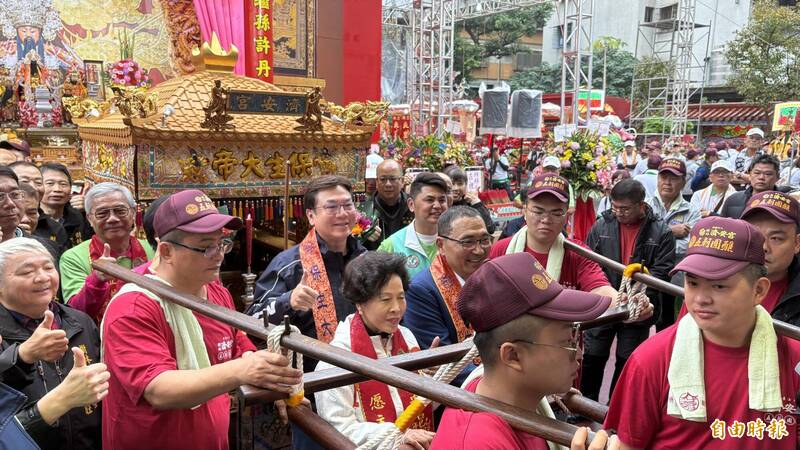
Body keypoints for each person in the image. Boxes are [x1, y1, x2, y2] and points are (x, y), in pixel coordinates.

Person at [101, 189, 300, 450]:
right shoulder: (134, 308)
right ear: (166, 251)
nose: (219, 255)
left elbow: (236, 338)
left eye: (222, 244)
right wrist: (241, 370)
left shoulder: (215, 291)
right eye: (206, 247)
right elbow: (158, 389)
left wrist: (261, 369)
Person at [604, 216, 800, 449]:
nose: (700, 299)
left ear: (758, 290)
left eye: (719, 285)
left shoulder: (793, 357)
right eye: (693, 283)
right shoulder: (651, 360)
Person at [430, 252, 619, 450]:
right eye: (567, 342)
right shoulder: (476, 442)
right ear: (513, 356)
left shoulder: (514, 397)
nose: (579, 353)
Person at [315, 252, 435, 449]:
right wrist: (398, 434)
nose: (397, 308)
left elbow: (422, 405)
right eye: (386, 299)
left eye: (401, 297)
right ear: (360, 303)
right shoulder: (335, 360)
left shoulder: (406, 336)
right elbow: (339, 429)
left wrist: (435, 378)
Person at [248, 175, 367, 361]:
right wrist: (289, 301)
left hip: (367, 370)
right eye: (332, 207)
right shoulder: (288, 265)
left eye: (348, 205)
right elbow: (252, 325)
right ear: (311, 216)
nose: (342, 213)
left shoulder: (366, 260)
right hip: (311, 379)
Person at [0, 238, 102, 450]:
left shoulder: (79, 321)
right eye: (27, 272)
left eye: (48, 267)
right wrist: (22, 356)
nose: (43, 277)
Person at [581, 178, 676, 402]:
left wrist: (637, 292)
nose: (618, 213)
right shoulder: (602, 225)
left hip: (639, 306)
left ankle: (613, 406)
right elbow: (589, 262)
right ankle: (584, 404)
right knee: (593, 355)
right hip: (604, 302)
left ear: (641, 205)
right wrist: (605, 290)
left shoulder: (660, 231)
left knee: (626, 359)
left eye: (624, 208)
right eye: (614, 207)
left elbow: (663, 271)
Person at [489, 174, 617, 296]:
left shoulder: (578, 254)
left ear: (566, 216)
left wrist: (624, 302)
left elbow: (600, 289)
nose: (546, 220)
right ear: (525, 210)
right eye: (538, 211)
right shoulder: (501, 250)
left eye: (556, 213)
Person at [59, 182, 155, 324]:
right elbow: (75, 313)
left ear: (133, 213)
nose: (112, 219)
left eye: (120, 211)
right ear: (90, 219)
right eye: (102, 213)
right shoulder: (73, 258)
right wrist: (96, 280)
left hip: (151, 329)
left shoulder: (152, 249)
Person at [404, 206, 491, 352]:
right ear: (441, 245)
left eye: (484, 240)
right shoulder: (421, 290)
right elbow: (445, 361)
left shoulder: (495, 276)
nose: (479, 250)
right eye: (467, 242)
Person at [646, 158, 701, 329]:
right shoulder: (645, 206)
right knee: (641, 321)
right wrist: (671, 232)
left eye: (674, 178)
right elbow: (642, 242)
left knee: (672, 325)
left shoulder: (692, 211)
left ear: (683, 182)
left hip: (676, 279)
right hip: (648, 275)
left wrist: (658, 242)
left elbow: (691, 246)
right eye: (664, 177)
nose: (667, 183)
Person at [740, 191, 800, 321]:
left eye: (775, 238)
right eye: (754, 236)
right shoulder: (710, 283)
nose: (763, 247)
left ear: (797, 243)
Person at [378, 173, 449, 279]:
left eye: (442, 200)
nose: (437, 206)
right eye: (429, 200)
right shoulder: (391, 246)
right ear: (411, 204)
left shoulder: (456, 241)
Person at [361, 159, 414, 250]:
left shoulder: (413, 206)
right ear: (377, 182)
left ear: (402, 181)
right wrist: (363, 236)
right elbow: (354, 245)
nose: (388, 184)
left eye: (393, 179)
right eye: (383, 179)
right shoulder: (364, 210)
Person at [721, 154, 793, 219]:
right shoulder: (733, 200)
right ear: (749, 175)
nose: (761, 177)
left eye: (768, 174)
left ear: (777, 177)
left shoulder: (785, 203)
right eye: (757, 173)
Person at [40, 163, 92, 248]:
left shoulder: (79, 216)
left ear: (71, 189)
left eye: (63, 184)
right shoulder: (31, 219)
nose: (57, 189)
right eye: (50, 183)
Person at [443, 165, 495, 234]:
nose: (455, 188)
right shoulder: (441, 205)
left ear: (466, 185)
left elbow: (490, 228)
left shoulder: (471, 204)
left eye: (460, 184)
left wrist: (477, 204)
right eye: (452, 184)